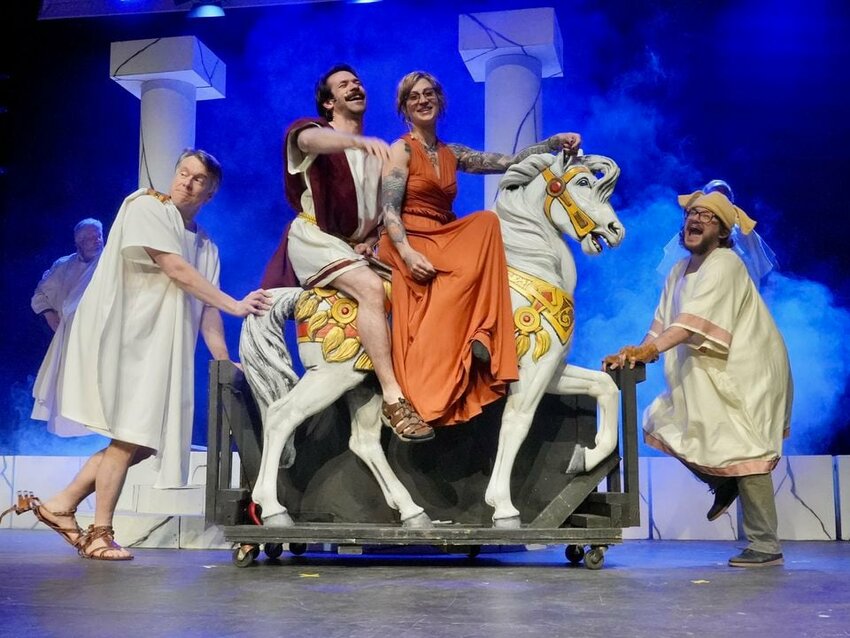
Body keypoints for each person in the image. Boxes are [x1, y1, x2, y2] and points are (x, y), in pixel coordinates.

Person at [1, 149, 271, 560]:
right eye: (183, 173)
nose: (186, 182)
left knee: (145, 440)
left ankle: (60, 505)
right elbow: (173, 267)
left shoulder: (207, 244)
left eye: (198, 179)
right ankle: (100, 533)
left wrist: (221, 358)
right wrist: (237, 303)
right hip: (127, 341)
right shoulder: (147, 204)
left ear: (210, 192)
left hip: (161, 349)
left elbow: (205, 307)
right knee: (129, 437)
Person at [377, 70, 581, 425]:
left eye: (429, 94)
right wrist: (408, 253)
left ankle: (481, 336)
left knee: (487, 222)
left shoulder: (451, 152)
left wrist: (551, 144)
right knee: (481, 227)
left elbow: (509, 161)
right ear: (404, 109)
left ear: (440, 101)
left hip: (442, 235)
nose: (423, 100)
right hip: (408, 237)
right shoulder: (402, 149)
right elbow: (389, 209)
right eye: (414, 97)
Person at [604, 190, 792, 568]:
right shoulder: (678, 271)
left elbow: (691, 325)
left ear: (722, 232)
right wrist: (634, 351)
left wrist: (651, 351)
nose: (695, 219)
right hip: (709, 368)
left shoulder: (725, 263)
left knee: (746, 449)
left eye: (707, 216)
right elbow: (662, 324)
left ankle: (765, 544)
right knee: (663, 420)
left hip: (745, 367)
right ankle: (722, 483)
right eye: (692, 213)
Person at [259, 64, 433, 443]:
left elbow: (381, 215)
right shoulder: (315, 133)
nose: (355, 86)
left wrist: (372, 239)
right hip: (315, 239)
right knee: (370, 288)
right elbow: (309, 142)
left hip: (353, 248)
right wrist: (354, 141)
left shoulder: (378, 153)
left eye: (357, 82)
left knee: (421, 285)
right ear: (328, 101)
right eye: (343, 85)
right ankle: (393, 397)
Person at [31, 219, 104, 437]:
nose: (96, 241)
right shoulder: (63, 265)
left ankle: (98, 431)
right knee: (66, 386)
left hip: (98, 334)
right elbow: (39, 295)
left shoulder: (111, 262)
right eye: (90, 238)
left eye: (98, 235)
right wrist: (49, 314)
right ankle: (68, 435)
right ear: (78, 242)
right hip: (68, 334)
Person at [656, 179, 778, 287]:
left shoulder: (744, 231)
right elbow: (666, 273)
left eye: (724, 197)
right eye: (714, 196)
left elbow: (765, 269)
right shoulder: (691, 230)